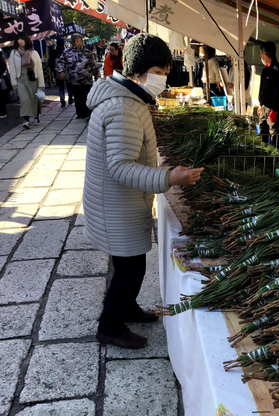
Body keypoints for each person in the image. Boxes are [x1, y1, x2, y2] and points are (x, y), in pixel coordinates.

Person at [84, 33, 204, 349]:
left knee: (128, 263)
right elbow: (120, 167)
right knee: (130, 266)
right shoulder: (124, 108)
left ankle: (127, 308)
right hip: (117, 205)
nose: (164, 79)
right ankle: (109, 325)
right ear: (140, 72)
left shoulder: (127, 100)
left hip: (114, 202)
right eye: (160, 72)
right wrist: (169, 178)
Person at [56, 33, 100, 119]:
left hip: (86, 79)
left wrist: (97, 75)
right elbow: (61, 62)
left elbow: (93, 65)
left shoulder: (88, 52)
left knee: (87, 97)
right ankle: (80, 114)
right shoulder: (67, 52)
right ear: (73, 43)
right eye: (77, 41)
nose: (80, 43)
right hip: (74, 79)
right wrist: (61, 71)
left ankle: (88, 113)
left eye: (81, 41)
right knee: (77, 97)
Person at [9, 33, 45, 129]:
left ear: (26, 40)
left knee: (34, 99)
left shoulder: (33, 52)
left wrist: (41, 84)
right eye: (18, 39)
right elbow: (12, 69)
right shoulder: (14, 52)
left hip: (33, 78)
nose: (20, 41)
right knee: (24, 100)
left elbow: (39, 69)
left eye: (22, 39)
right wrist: (14, 83)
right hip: (21, 78)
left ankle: (36, 117)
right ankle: (26, 120)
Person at [257, 41, 279, 152]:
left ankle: (277, 158)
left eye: (261, 53)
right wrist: (260, 104)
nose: (260, 56)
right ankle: (263, 156)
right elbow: (262, 89)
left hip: (274, 108)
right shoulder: (265, 69)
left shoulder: (277, 70)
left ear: (265, 54)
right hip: (264, 107)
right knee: (262, 132)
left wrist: (274, 110)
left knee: (275, 134)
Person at [47, 37, 73, 108]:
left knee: (61, 87)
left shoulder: (54, 52)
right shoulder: (67, 51)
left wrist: (53, 71)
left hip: (58, 71)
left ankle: (62, 101)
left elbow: (51, 62)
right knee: (69, 86)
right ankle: (70, 99)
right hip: (67, 71)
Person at [0, 50, 12, 118]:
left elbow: (3, 67)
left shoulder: (0, 56)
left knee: (1, 96)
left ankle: (2, 113)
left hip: (0, 78)